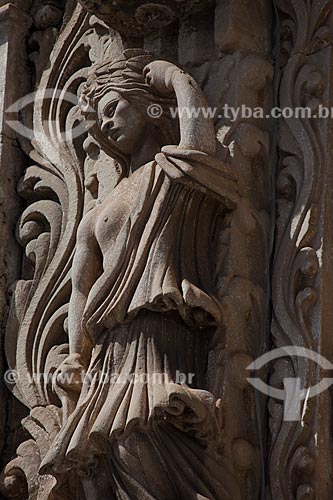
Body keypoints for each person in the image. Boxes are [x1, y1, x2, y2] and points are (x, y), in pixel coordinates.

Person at [41, 49, 239, 499]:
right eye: (99, 121)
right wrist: (75, 355)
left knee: (140, 436)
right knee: (94, 463)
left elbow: (198, 150)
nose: (107, 124)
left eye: (114, 108)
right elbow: (80, 289)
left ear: (147, 105)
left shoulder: (168, 172)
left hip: (160, 335)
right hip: (108, 350)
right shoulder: (97, 212)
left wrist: (176, 78)